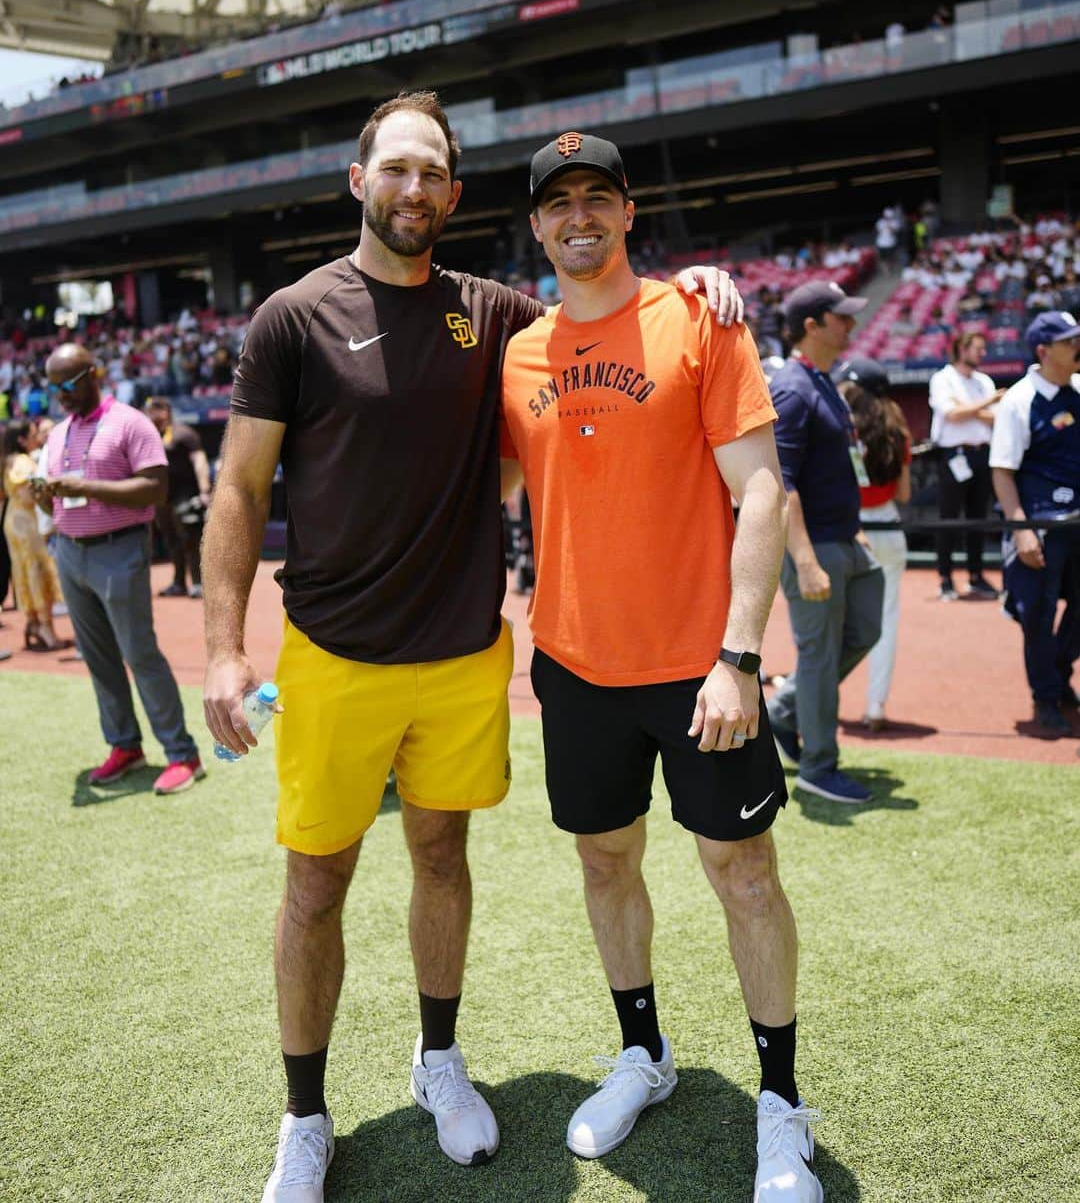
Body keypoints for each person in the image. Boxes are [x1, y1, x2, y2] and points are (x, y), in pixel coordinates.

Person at [199, 93, 744, 1203]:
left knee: (443, 859)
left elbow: (601, 299)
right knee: (316, 884)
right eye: (395, 168)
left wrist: (701, 283)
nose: (413, 190)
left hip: (461, 658)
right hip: (333, 656)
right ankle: (304, 1119)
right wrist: (221, 649)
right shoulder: (292, 319)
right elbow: (240, 487)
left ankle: (438, 1059)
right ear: (360, 180)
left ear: (453, 193)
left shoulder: (493, 314)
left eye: (433, 173)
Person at [500, 133, 822, 1203]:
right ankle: (645, 1056)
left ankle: (780, 1101)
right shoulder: (519, 354)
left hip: (699, 670)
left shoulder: (701, 318)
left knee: (744, 874)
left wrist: (737, 656)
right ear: (537, 225)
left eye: (598, 196)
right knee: (605, 863)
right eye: (559, 203)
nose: (578, 215)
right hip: (575, 665)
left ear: (628, 210)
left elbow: (762, 492)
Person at [37, 344, 204, 794]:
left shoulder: (130, 423)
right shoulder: (58, 433)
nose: (61, 394)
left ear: (95, 374)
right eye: (53, 387)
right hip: (70, 551)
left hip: (119, 548)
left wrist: (86, 487)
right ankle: (125, 745)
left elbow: (156, 488)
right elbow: (60, 496)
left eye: (68, 383)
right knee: (98, 658)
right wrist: (46, 495)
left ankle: (182, 753)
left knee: (139, 653)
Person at [766, 280, 884, 804]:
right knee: (818, 654)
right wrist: (805, 559)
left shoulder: (823, 380)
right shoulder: (792, 387)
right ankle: (819, 764)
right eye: (840, 317)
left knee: (864, 628)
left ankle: (784, 710)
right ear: (811, 325)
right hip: (813, 545)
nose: (851, 324)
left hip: (846, 539)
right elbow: (781, 480)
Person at [990, 311, 1080, 738]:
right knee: (1037, 616)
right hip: (1040, 525)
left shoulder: (1078, 389)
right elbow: (1002, 471)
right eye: (1070, 340)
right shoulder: (1019, 399)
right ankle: (1046, 698)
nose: (1077, 345)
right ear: (1044, 351)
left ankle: (1059, 675)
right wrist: (1021, 528)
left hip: (1077, 525)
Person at [836, 360, 911, 731]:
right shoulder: (897, 429)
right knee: (886, 621)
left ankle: (816, 700)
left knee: (833, 624)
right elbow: (905, 492)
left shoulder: (842, 426)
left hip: (849, 528)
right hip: (889, 525)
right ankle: (875, 707)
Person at [929, 332, 1003, 601]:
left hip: (983, 454)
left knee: (978, 518)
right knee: (949, 517)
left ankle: (975, 575)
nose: (982, 354)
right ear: (961, 349)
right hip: (953, 455)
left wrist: (969, 408)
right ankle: (946, 578)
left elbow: (996, 418)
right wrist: (986, 403)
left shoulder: (984, 380)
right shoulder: (943, 378)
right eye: (977, 349)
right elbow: (951, 414)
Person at [1, 419, 67, 650]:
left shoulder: (8, 461)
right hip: (28, 522)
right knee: (38, 570)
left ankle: (33, 623)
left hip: (14, 520)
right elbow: (30, 496)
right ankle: (46, 628)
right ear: (22, 439)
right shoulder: (24, 463)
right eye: (32, 434)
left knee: (24, 572)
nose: (36, 438)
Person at [145, 397, 212, 598]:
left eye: (154, 410)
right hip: (163, 498)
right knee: (172, 541)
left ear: (165, 411)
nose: (150, 415)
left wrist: (204, 490)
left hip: (185, 495)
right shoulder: (152, 436)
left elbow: (199, 460)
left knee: (191, 540)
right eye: (149, 411)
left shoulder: (183, 433)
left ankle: (199, 583)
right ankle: (179, 583)